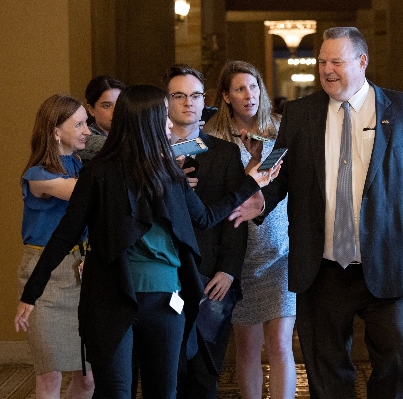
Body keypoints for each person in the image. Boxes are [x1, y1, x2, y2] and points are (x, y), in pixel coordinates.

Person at [229, 27, 403, 399]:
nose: (326, 70)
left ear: (362, 62)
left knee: (397, 369)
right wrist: (260, 201)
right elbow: (282, 174)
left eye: (336, 62)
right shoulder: (300, 113)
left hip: (391, 264)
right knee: (326, 374)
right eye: (322, 61)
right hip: (321, 269)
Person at [14, 84, 280, 399]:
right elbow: (64, 235)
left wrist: (251, 182)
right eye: (163, 117)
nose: (171, 124)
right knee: (116, 391)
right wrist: (31, 294)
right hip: (112, 298)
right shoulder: (100, 173)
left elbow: (206, 218)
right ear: (147, 122)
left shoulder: (169, 173)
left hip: (166, 301)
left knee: (163, 391)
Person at [204, 60, 297, 398]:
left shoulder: (280, 129)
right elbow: (223, 191)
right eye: (240, 89)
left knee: (281, 344)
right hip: (239, 252)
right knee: (247, 347)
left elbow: (278, 184)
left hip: (280, 247)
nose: (249, 95)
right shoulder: (212, 136)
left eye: (254, 86)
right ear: (226, 96)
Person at [161, 63, 248, 399]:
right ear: (166, 101)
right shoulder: (151, 154)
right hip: (162, 276)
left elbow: (235, 217)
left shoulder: (224, 153)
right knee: (168, 371)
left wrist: (229, 269)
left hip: (213, 277)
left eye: (196, 95)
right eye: (179, 95)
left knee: (204, 372)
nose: (189, 102)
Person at [16, 94, 94, 398]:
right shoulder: (38, 175)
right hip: (44, 275)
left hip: (81, 271)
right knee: (49, 376)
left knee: (87, 378)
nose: (87, 130)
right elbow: (85, 194)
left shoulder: (78, 164)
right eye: (79, 124)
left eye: (86, 123)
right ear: (55, 131)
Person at [76, 75, 125, 163]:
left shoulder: (129, 132)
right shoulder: (85, 137)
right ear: (91, 110)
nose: (115, 111)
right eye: (107, 106)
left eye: (119, 104)